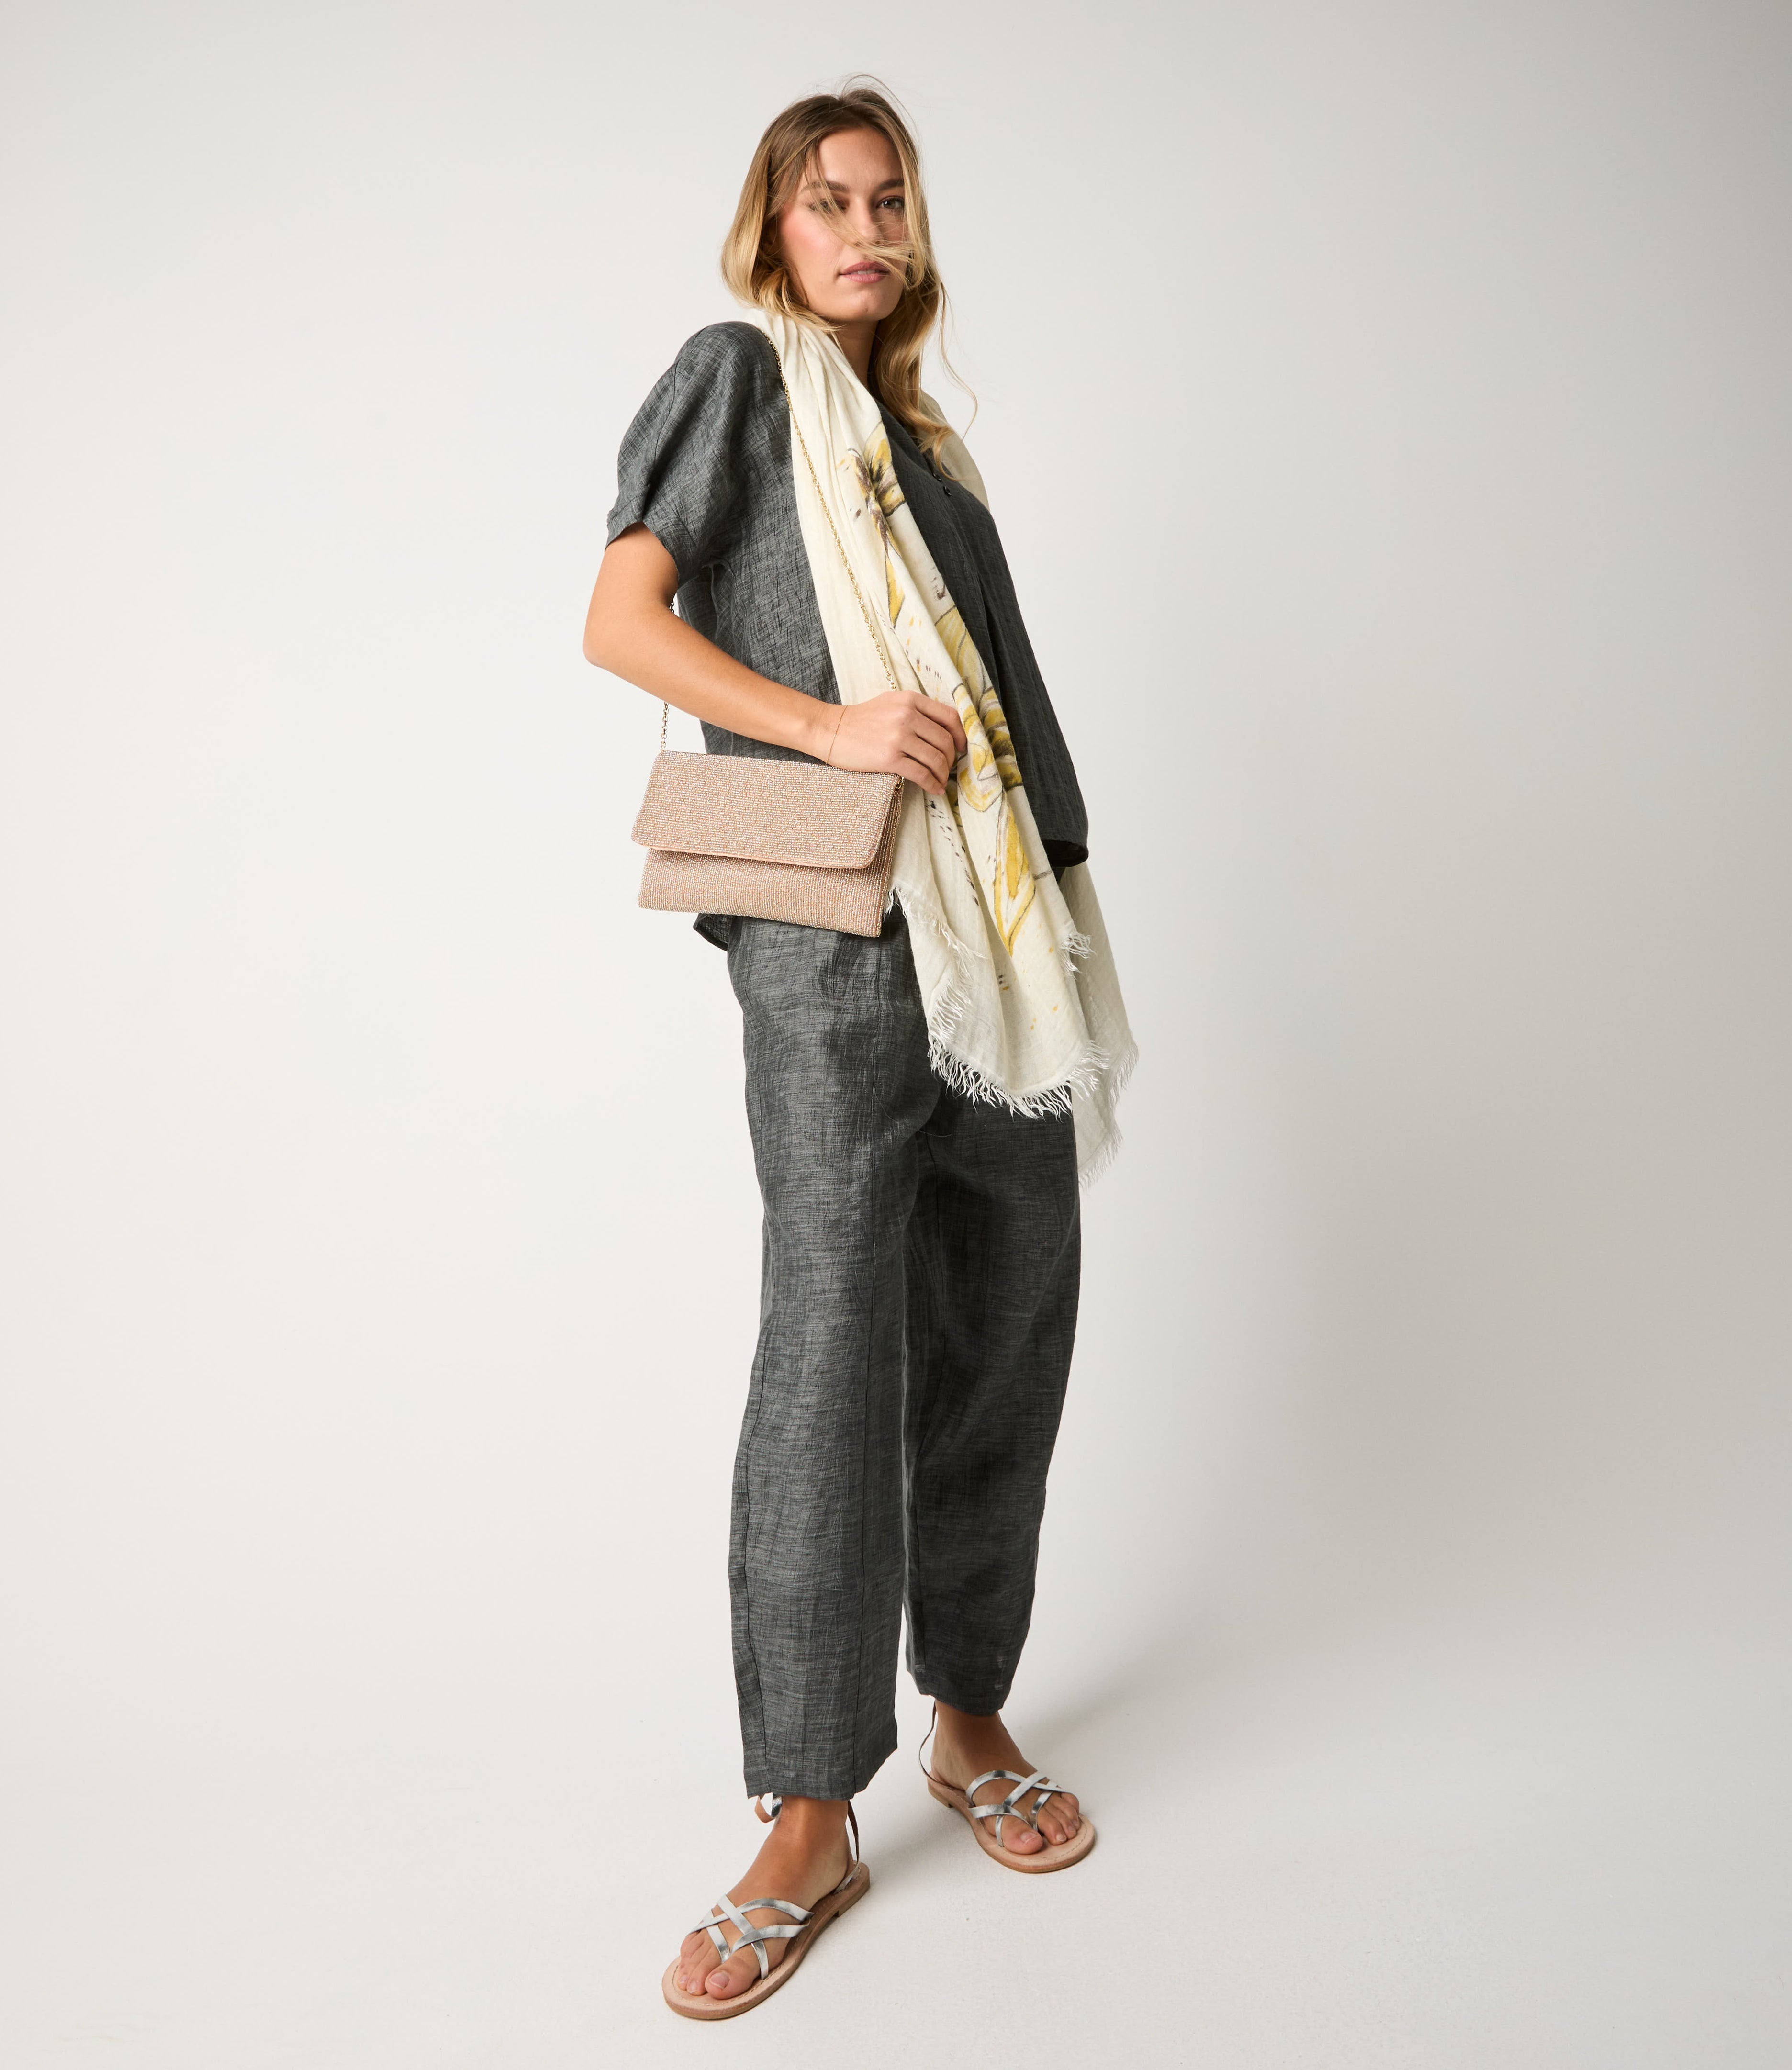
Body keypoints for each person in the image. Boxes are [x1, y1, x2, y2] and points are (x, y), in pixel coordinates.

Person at [584, 83, 1133, 2021]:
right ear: (775, 228)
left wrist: (1060, 905)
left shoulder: (926, 453)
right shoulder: (741, 379)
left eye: (891, 199)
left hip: (1002, 956)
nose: (869, 227)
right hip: (836, 943)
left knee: (1006, 1320)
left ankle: (970, 1713)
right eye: (830, 201)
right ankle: (810, 1811)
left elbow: (1002, 714)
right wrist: (824, 730)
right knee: (832, 1343)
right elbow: (618, 619)